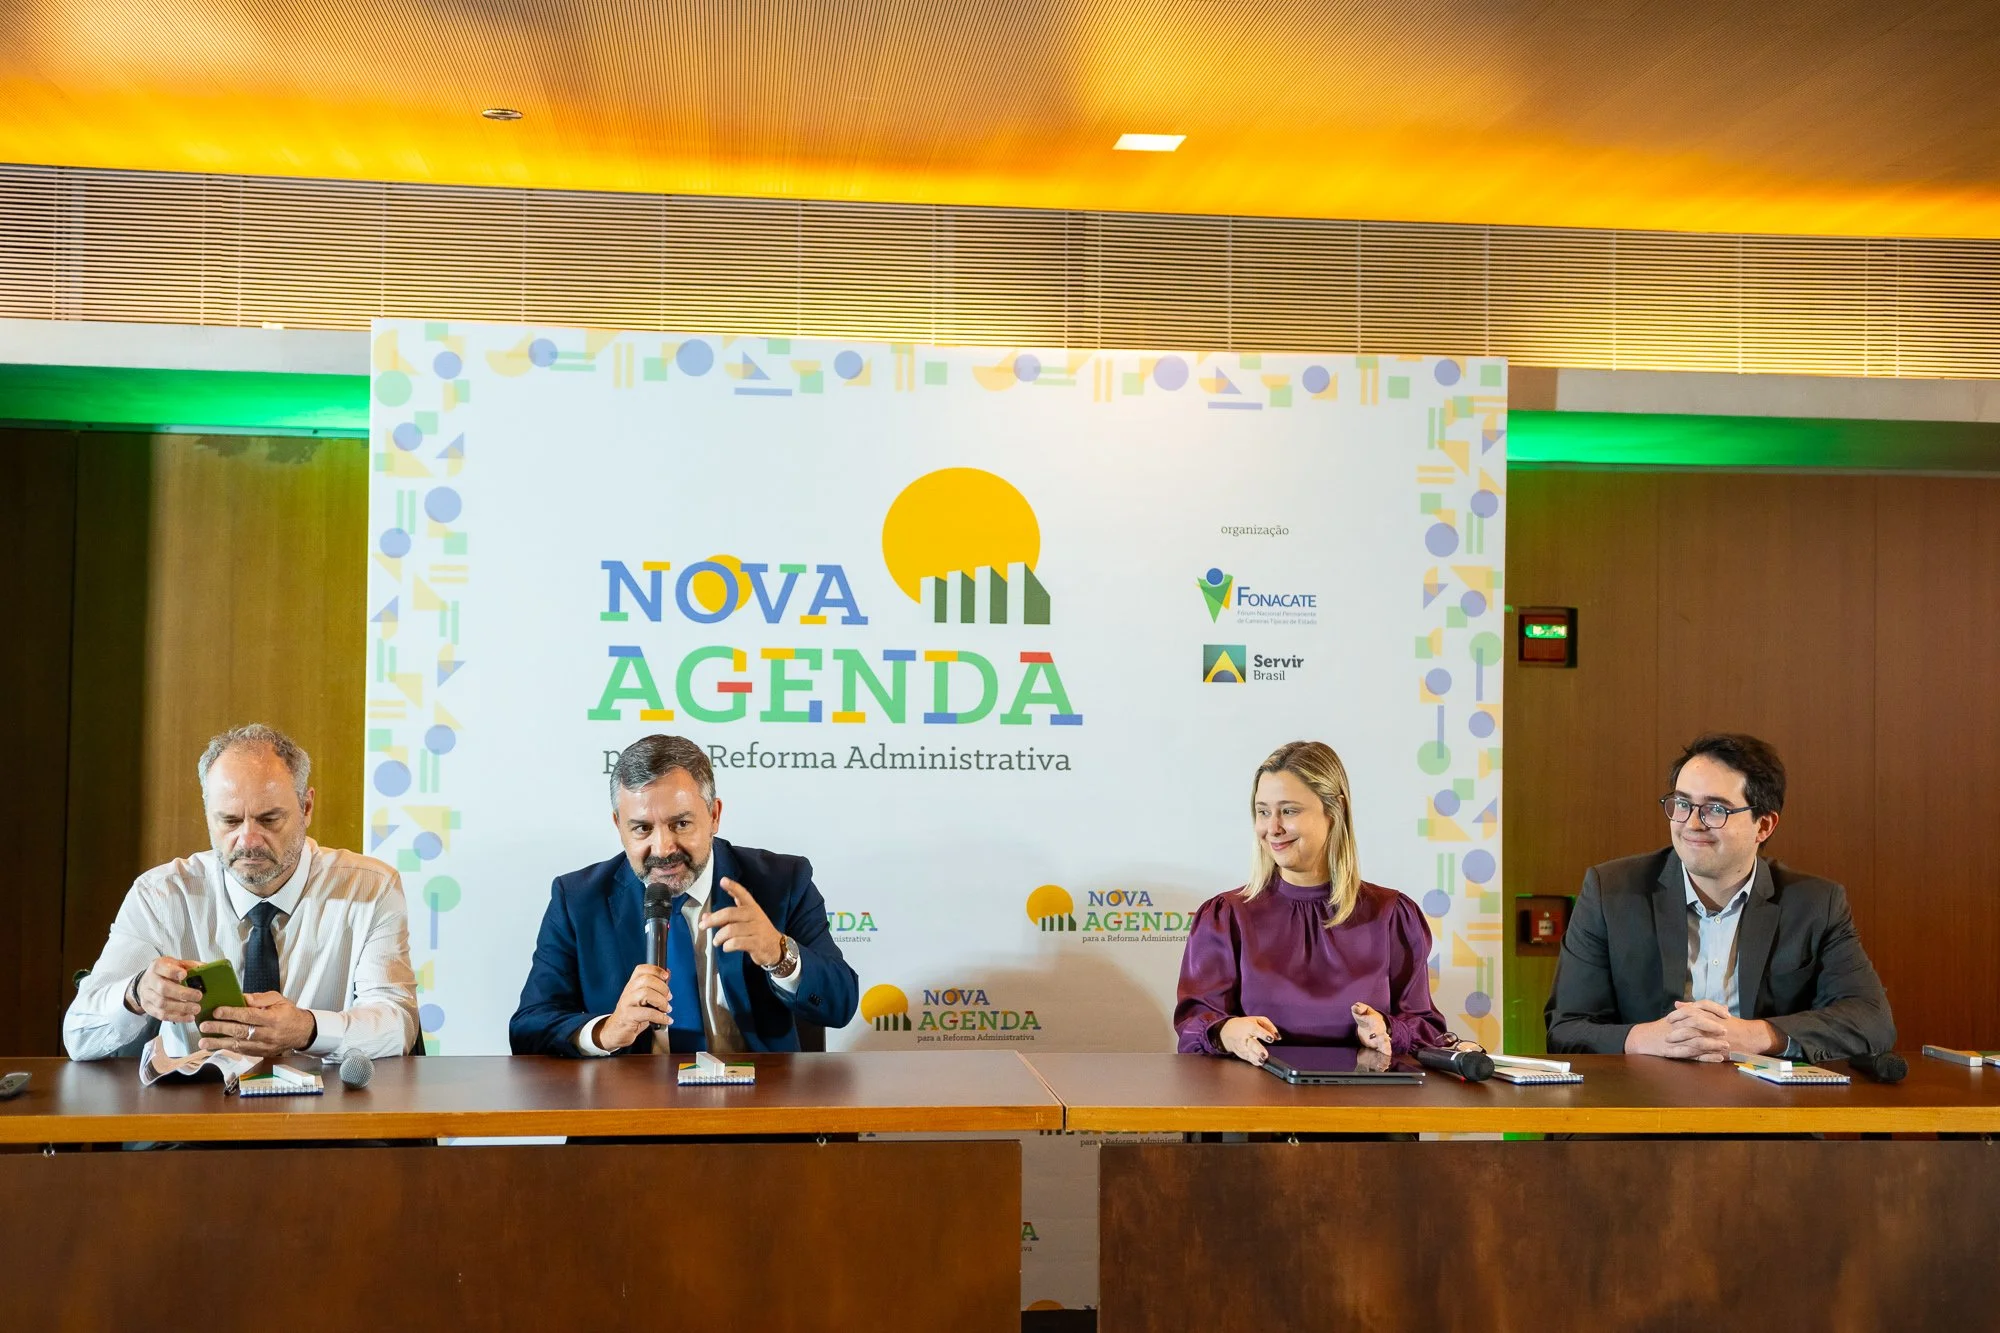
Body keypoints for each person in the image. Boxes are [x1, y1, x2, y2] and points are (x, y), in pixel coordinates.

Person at [64, 724, 419, 1061]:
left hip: (323, 1101)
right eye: (230, 821)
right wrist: (136, 994)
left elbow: (397, 1024)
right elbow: (79, 1036)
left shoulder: (370, 888)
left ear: (306, 808)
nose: (248, 840)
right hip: (197, 1100)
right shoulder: (160, 896)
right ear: (207, 813)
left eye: (269, 819)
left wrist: (307, 1030)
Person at [1545, 732, 1894, 1064]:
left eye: (1715, 809)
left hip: (1764, 1101)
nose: (1692, 823)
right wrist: (1647, 1039)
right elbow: (1565, 1030)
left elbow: (1872, 1022)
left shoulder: (1815, 904)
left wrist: (1755, 1036)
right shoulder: (1611, 892)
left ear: (1764, 826)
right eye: (1683, 804)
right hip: (1641, 1099)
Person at [511, 734, 858, 1056]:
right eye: (642, 828)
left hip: (757, 1094)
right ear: (619, 826)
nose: (663, 848)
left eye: (680, 824)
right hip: (633, 1099)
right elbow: (528, 1028)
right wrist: (606, 1030)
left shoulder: (782, 882)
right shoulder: (577, 900)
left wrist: (779, 953)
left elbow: (841, 1004)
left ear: (714, 816)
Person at [1175, 740, 1449, 1063]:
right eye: (1263, 812)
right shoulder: (1225, 917)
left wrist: (1385, 1028)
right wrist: (1226, 1031)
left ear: (1334, 811)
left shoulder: (1392, 915)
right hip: (1257, 1093)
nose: (1272, 828)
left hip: (1367, 1094)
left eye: (1288, 811)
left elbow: (1426, 1029)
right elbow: (1194, 1027)